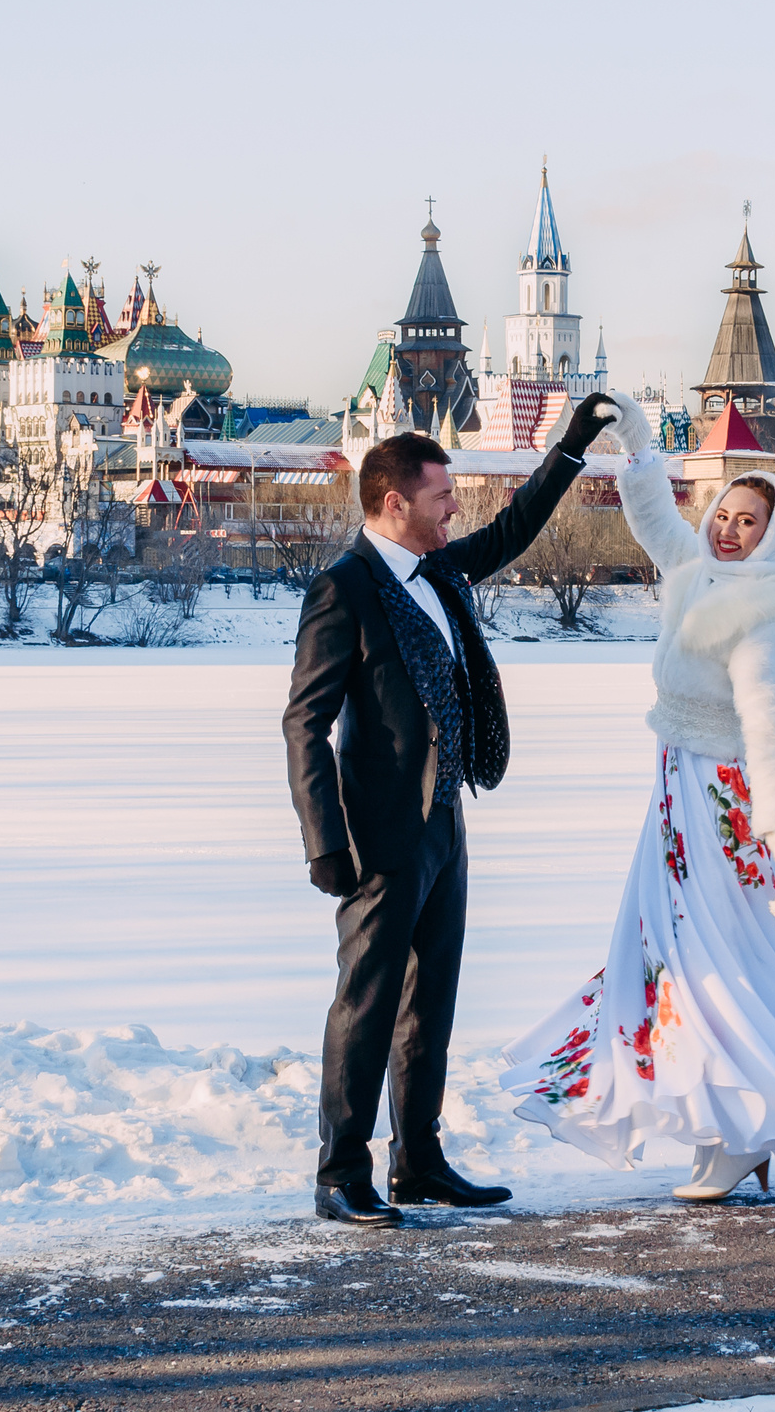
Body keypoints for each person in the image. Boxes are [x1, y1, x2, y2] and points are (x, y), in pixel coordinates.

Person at [503, 391, 775, 1202]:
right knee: (669, 955)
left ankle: (750, 1123)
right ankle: (736, 1124)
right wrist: (635, 442)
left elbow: (770, 734)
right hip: (674, 790)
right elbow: (654, 523)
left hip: (720, 804)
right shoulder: (695, 571)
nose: (728, 529)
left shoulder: (763, 613)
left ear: (773, 538)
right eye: (726, 513)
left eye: (748, 522)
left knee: (712, 960)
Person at [284, 393, 620, 1229]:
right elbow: (305, 722)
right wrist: (326, 842)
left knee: (429, 1001)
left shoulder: (435, 569)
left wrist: (571, 446)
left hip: (443, 822)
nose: (455, 507)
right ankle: (339, 1174)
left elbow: (512, 530)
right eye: (442, 496)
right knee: (364, 1005)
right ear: (394, 501)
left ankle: (418, 1161)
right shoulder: (346, 587)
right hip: (378, 836)